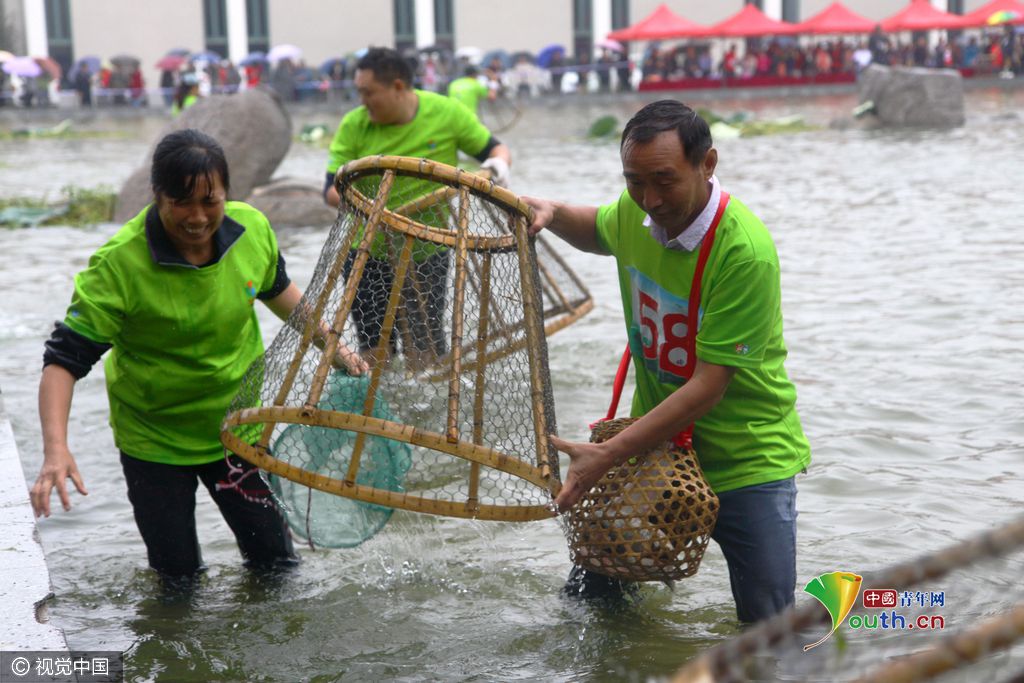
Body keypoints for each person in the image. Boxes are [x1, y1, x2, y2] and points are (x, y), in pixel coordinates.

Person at [30, 129, 367, 580]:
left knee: (277, 567)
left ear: (228, 193)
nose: (197, 217)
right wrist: (56, 450)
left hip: (237, 428)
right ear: (157, 196)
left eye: (210, 201)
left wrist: (335, 347)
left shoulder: (252, 230)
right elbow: (64, 361)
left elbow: (277, 291)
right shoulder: (119, 265)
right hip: (155, 441)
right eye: (181, 203)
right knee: (177, 579)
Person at [523, 101, 811, 623]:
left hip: (747, 460)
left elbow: (707, 387)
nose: (650, 200)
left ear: (708, 164)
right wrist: (551, 211)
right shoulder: (638, 212)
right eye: (635, 181)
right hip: (653, 452)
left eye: (664, 181)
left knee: (768, 627)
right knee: (592, 605)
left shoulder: (743, 252)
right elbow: (600, 228)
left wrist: (605, 455)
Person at [323, 47, 512, 359]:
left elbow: (496, 149)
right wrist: (375, 214)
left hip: (429, 248)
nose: (363, 101)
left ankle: (426, 407)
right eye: (359, 92)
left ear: (398, 86)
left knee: (425, 349)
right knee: (374, 350)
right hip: (369, 251)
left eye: (368, 92)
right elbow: (330, 191)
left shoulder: (446, 113)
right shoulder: (355, 125)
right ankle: (378, 404)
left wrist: (497, 168)